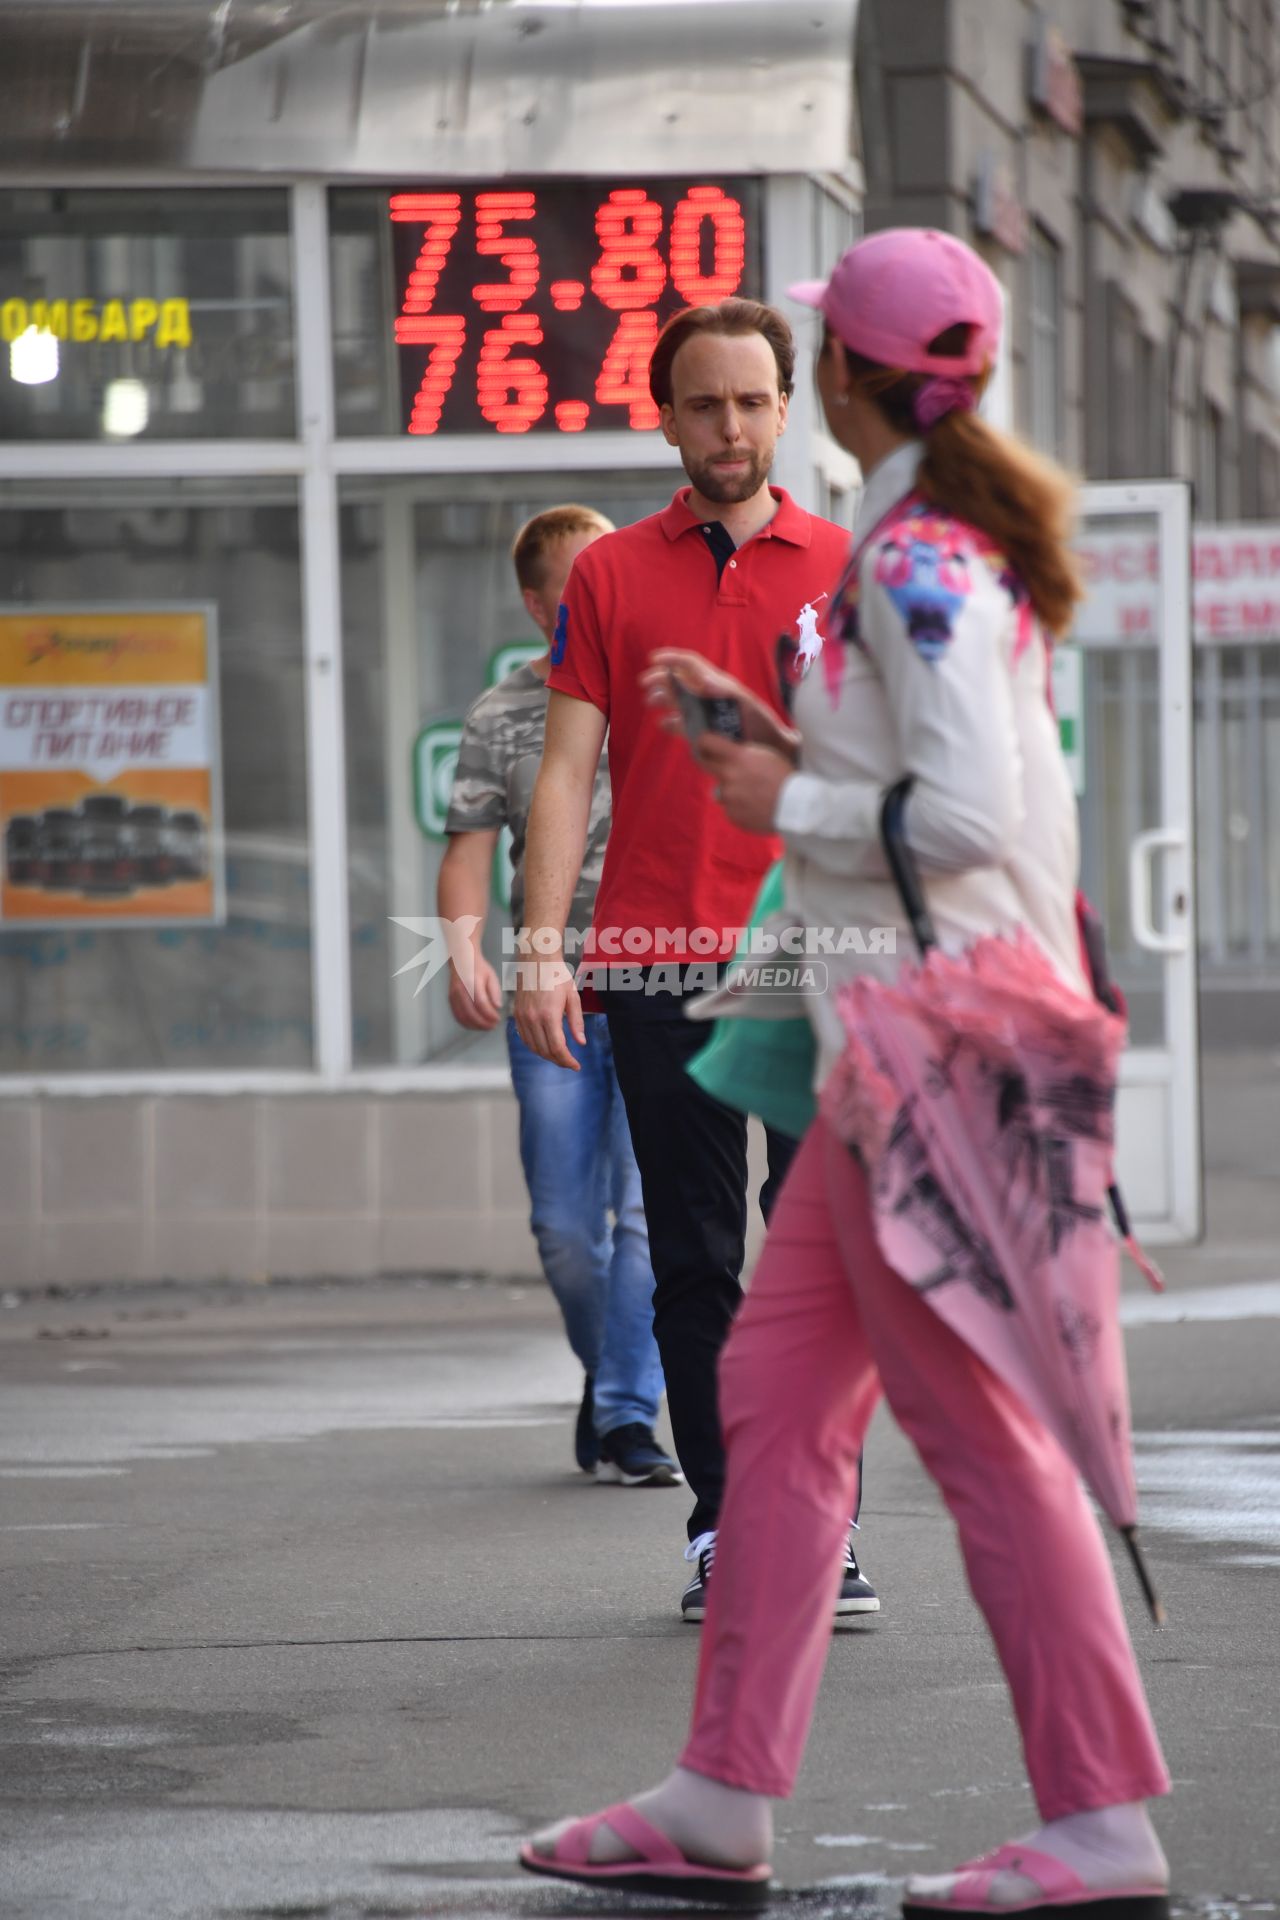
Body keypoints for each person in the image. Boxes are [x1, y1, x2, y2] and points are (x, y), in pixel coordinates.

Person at [518, 230, 1171, 1915]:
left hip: (925, 1043)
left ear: (848, 380)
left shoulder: (912, 562)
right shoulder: (927, 543)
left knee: (974, 1439)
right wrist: (791, 757)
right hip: (880, 1036)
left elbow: (966, 821)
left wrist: (779, 802)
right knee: (772, 1405)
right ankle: (723, 1795)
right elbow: (938, 786)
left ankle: (1099, 1821)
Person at [514, 300, 878, 1623]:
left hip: (822, 956)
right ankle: (730, 1526)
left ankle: (824, 1526)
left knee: (826, 1258)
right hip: (655, 961)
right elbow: (564, 775)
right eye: (702, 404)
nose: (729, 426)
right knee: (695, 1260)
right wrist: (542, 949)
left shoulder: (849, 565)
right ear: (667, 417)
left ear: (787, 409)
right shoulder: (609, 577)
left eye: (750, 400)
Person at [439, 503, 678, 1490]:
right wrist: (463, 954)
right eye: (578, 584)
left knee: (650, 1215)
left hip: (664, 978)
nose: (601, 594)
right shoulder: (500, 715)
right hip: (551, 994)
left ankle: (626, 1416)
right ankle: (615, 1373)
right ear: (538, 603)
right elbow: (462, 854)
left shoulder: (668, 689)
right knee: (564, 1228)